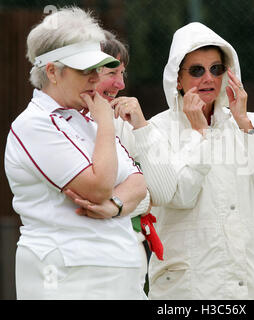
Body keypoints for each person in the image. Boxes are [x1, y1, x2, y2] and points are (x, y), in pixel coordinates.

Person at [113, 22, 254, 299]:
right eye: (197, 70)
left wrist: (244, 123)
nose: (208, 78)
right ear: (178, 78)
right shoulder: (155, 130)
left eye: (216, 69)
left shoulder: (246, 123)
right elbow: (181, 195)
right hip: (194, 289)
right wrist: (199, 134)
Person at [4, 7, 148, 300]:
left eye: (98, 68)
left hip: (121, 272)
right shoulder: (33, 125)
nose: (96, 78)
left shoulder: (89, 116)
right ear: (53, 72)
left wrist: (115, 206)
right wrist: (107, 126)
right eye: (86, 69)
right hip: (67, 279)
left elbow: (139, 184)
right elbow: (98, 186)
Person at [94, 30, 177, 290]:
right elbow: (91, 197)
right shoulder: (58, 124)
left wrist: (141, 127)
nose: (120, 85)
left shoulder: (124, 123)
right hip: (83, 260)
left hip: (130, 256)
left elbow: (163, 193)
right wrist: (133, 197)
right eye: (111, 74)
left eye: (122, 74)